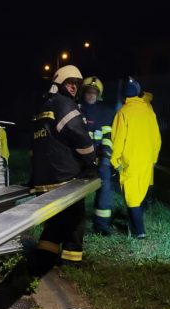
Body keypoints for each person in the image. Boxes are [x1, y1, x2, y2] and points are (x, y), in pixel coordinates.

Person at [29, 65, 96, 274]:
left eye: (76, 84)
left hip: (43, 177)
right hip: (64, 176)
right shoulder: (65, 106)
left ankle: (45, 255)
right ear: (60, 84)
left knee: (56, 221)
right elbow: (80, 137)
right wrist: (90, 161)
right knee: (76, 217)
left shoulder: (43, 106)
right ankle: (72, 258)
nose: (74, 88)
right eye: (70, 83)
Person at [111, 77, 162, 239]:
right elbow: (157, 139)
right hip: (147, 161)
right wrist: (153, 159)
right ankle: (134, 229)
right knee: (140, 194)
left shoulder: (123, 113)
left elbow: (118, 139)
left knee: (132, 197)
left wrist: (115, 161)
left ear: (124, 97)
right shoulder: (149, 111)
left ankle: (139, 231)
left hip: (129, 161)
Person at [79, 76, 115, 235]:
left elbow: (108, 136)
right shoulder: (76, 110)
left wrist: (106, 156)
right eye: (88, 92)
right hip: (79, 159)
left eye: (94, 92)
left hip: (100, 158)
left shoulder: (106, 112)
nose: (91, 95)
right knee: (74, 191)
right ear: (84, 93)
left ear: (98, 94)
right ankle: (74, 223)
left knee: (105, 187)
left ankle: (101, 224)